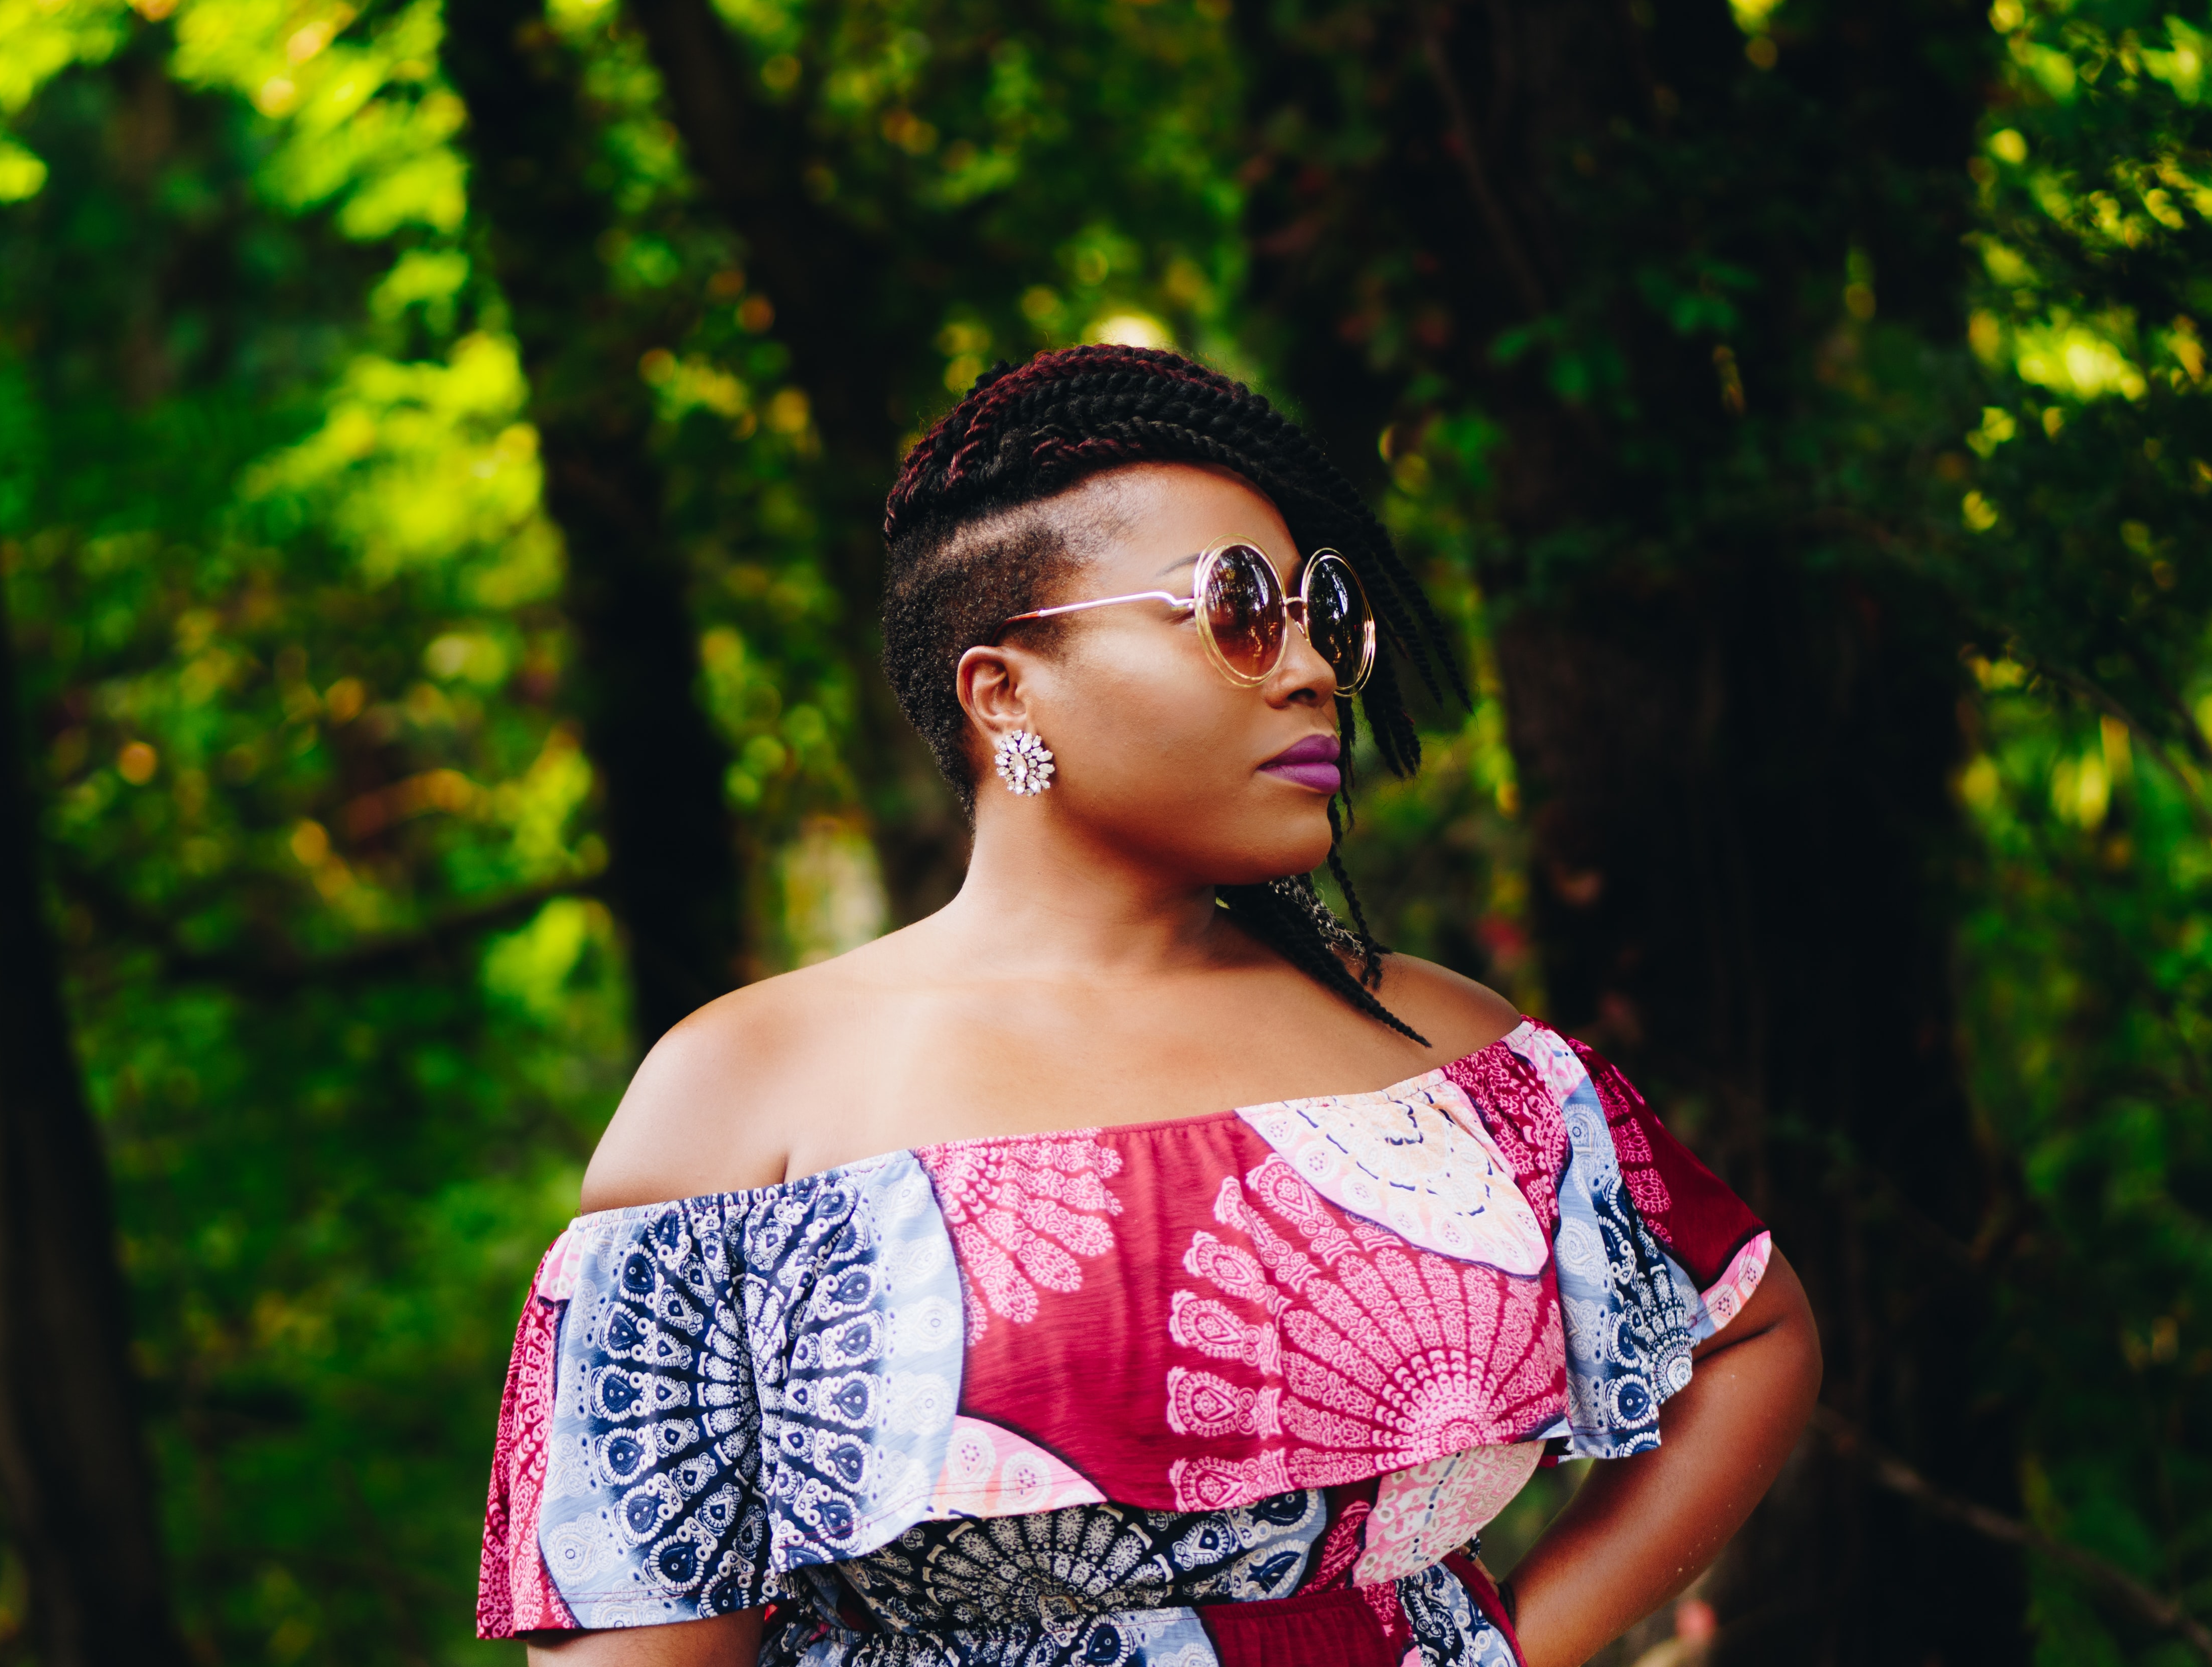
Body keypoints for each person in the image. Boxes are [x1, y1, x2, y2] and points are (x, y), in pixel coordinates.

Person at [477, 347, 1822, 1667]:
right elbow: (644, 1618)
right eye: (1235, 611)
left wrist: (1520, 1646)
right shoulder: (745, 1095)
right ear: (1006, 689)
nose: (1309, 673)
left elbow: (1749, 1331)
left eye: (1322, 613)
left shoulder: (1453, 1057)